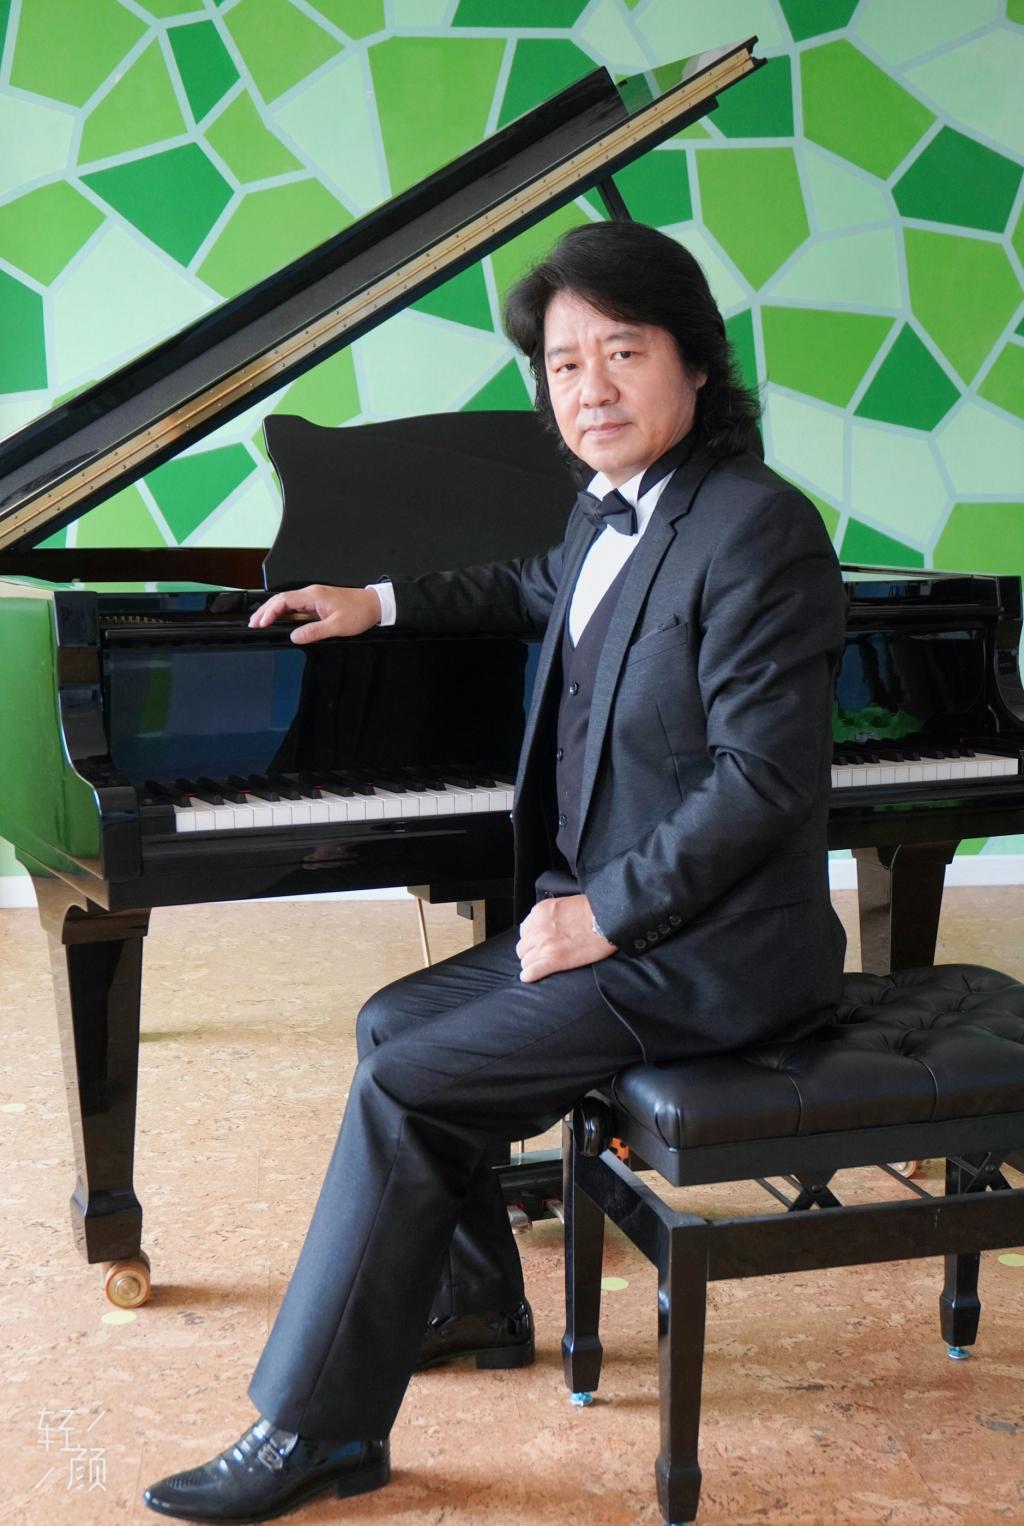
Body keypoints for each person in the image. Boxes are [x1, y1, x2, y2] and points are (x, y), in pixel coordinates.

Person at [143, 221, 847, 1522]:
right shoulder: (602, 510)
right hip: (627, 930)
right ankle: (476, 1302)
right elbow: (533, 585)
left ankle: (315, 1430)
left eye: (622, 353)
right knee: (391, 1020)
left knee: (409, 1080)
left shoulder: (760, 527)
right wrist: (379, 601)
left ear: (696, 363)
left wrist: (603, 917)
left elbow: (765, 781)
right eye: (565, 365)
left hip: (715, 951)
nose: (590, 389)